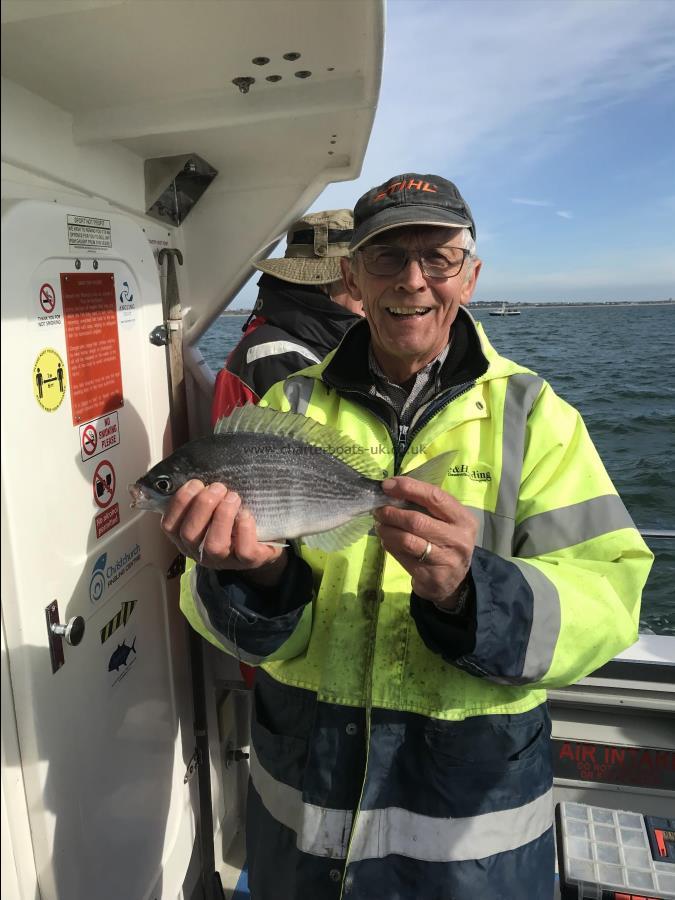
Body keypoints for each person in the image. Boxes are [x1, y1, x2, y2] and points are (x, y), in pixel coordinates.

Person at [164, 173, 653, 900]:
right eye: (387, 257)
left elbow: (611, 597)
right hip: (303, 809)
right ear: (352, 276)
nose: (412, 282)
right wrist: (252, 579)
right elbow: (215, 620)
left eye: (438, 259)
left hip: (471, 829)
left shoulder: (538, 417)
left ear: (472, 275)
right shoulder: (285, 404)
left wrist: (472, 593)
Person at [210, 208, 362, 424]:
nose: (369, 290)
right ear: (320, 284)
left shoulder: (298, 338)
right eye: (355, 279)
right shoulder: (280, 359)